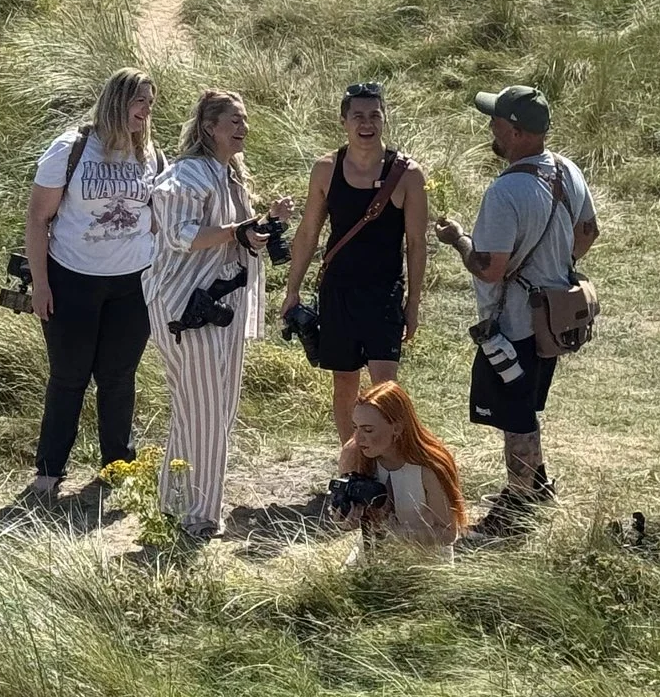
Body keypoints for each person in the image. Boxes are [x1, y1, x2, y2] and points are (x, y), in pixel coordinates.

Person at [433, 85, 597, 535]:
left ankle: (519, 500)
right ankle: (535, 484)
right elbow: (588, 232)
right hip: (554, 317)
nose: (491, 129)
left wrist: (458, 239)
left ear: (518, 132)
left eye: (497, 123)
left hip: (514, 324)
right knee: (526, 404)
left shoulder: (505, 193)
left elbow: (489, 269)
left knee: (515, 411)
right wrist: (556, 266)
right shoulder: (568, 171)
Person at [147, 91, 293, 540]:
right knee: (205, 411)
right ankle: (196, 515)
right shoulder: (190, 172)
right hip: (189, 311)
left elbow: (233, 241)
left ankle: (178, 505)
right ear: (209, 127)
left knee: (205, 411)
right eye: (234, 120)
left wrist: (261, 226)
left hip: (217, 308)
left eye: (245, 120)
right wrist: (239, 230)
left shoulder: (227, 176)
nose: (243, 127)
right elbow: (178, 233)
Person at [24, 71, 161, 499]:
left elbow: (158, 216)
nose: (146, 112)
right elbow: (37, 219)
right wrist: (41, 285)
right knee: (69, 378)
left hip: (132, 284)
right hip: (72, 280)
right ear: (117, 101)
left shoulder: (151, 154)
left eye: (150, 104)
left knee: (119, 377)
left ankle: (117, 467)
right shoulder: (71, 148)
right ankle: (49, 470)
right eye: (140, 101)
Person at [281, 82, 428, 444]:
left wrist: (413, 304)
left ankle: (392, 463)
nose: (367, 123)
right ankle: (353, 460)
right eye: (358, 116)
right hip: (338, 291)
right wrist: (292, 290)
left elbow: (417, 244)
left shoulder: (408, 174)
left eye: (375, 115)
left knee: (386, 387)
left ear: (384, 119)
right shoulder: (326, 169)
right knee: (344, 382)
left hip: (384, 293)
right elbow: (308, 233)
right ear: (344, 121)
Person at [331, 382, 464, 552]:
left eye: (368, 430)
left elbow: (448, 533)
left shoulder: (429, 467)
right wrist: (346, 520)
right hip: (371, 558)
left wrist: (395, 535)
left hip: (426, 565)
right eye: (355, 427)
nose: (358, 438)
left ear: (397, 428)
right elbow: (344, 515)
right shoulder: (354, 455)